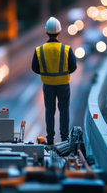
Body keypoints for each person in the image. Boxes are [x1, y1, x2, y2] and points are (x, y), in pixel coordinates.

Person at [32, 17, 77, 145]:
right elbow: (73, 67)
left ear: (46, 32)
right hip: (63, 84)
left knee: (49, 110)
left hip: (48, 85)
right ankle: (64, 139)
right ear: (59, 31)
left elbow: (34, 68)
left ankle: (50, 139)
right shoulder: (66, 49)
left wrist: (47, 73)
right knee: (64, 110)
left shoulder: (39, 50)